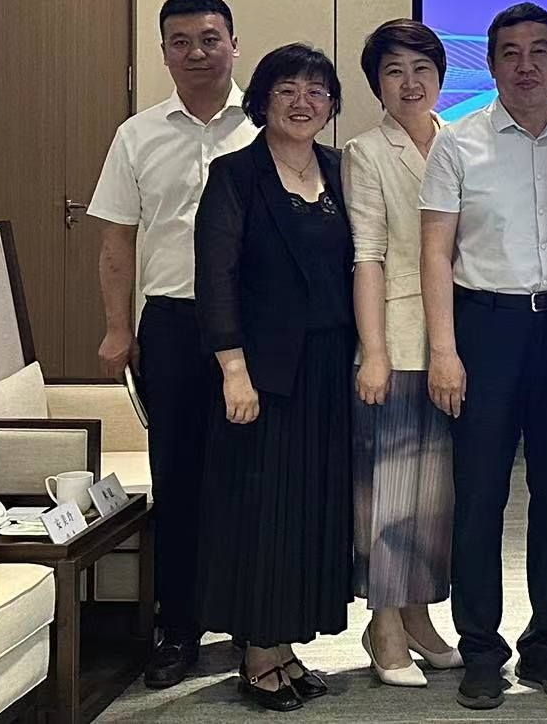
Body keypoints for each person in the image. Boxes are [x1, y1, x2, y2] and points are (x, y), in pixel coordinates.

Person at [420, 3, 547, 710]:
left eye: (539, 51)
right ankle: (481, 651)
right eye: (510, 53)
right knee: (479, 499)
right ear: (490, 65)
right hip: (484, 330)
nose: (526, 66)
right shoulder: (457, 144)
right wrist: (444, 350)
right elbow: (435, 253)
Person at [89, 0, 257, 688]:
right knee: (179, 478)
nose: (197, 53)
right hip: (172, 323)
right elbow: (117, 242)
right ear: (162, 53)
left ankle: (255, 625)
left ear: (234, 44)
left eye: (210, 39)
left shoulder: (266, 124)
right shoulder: (137, 135)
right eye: (180, 41)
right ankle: (178, 626)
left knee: (251, 479)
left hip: (254, 328)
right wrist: (117, 328)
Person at [194, 44, 353, 712]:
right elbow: (216, 277)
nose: (302, 102)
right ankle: (257, 651)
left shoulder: (340, 170)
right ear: (262, 100)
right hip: (262, 372)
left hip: (330, 367)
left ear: (332, 105)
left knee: (311, 506)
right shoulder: (236, 174)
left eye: (316, 91)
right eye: (287, 89)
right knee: (262, 510)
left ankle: (286, 645)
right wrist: (233, 369)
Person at [343, 20, 460, 688]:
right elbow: (368, 257)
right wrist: (375, 352)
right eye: (393, 70)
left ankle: (418, 613)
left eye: (421, 68)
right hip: (396, 335)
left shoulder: (461, 139)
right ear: (376, 84)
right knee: (386, 491)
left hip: (457, 338)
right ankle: (383, 623)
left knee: (435, 494)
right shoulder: (366, 152)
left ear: (441, 75)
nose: (410, 83)